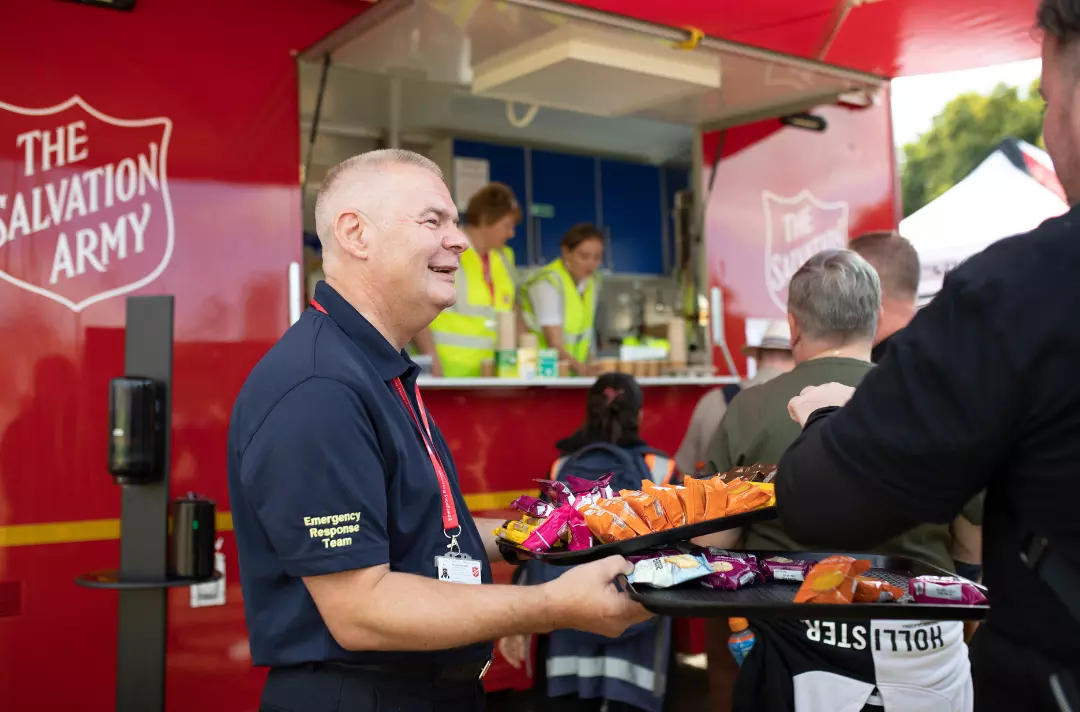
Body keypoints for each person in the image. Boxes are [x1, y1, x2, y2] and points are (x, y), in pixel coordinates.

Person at [226, 149, 651, 712]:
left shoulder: (376, 368)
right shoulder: (319, 386)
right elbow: (362, 609)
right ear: (356, 234)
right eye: (434, 221)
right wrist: (552, 605)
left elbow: (428, 532)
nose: (461, 241)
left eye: (456, 221)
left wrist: (571, 533)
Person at [779, 3, 1080, 707]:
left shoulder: (1024, 291)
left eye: (1045, 95)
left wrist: (830, 419)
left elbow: (823, 502)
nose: (1045, 122)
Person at [698, 249, 971, 711]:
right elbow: (974, 546)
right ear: (877, 317)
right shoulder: (935, 402)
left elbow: (710, 543)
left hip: (793, 655)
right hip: (926, 653)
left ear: (794, 324)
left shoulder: (747, 410)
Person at [500, 373, 675, 712]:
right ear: (638, 415)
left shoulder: (562, 466)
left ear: (589, 412)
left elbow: (534, 541)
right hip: (637, 627)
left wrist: (517, 618)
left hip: (568, 627)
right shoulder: (661, 469)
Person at [849, 231, 985, 582]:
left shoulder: (882, 377)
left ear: (868, 286)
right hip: (956, 584)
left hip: (885, 587)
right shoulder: (961, 356)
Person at [414, 182, 522, 377]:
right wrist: (434, 368)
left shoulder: (504, 258)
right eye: (507, 225)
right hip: (446, 376)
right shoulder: (447, 248)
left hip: (492, 377)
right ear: (485, 219)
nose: (511, 233)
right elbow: (416, 307)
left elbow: (513, 311)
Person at [673, 319, 793, 477]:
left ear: (757, 358)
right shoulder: (800, 405)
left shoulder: (712, 400)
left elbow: (684, 472)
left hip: (714, 497)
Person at [520, 223, 605, 376]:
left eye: (597, 257)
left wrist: (593, 365)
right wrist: (584, 370)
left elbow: (585, 337)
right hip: (542, 374)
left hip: (570, 374)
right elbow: (554, 343)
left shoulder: (590, 283)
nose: (591, 264)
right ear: (566, 252)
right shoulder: (548, 283)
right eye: (584, 256)